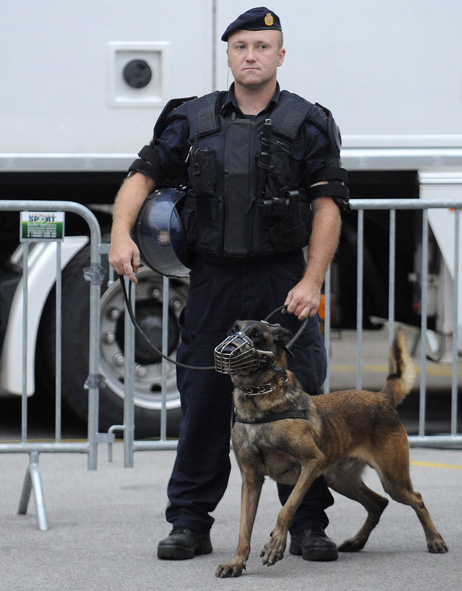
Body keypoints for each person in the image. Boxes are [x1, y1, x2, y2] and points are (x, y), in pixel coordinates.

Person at [108, 7, 350, 562]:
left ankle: (307, 524)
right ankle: (190, 522)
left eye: (262, 47)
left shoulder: (307, 122)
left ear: (280, 55)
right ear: (228, 55)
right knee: (204, 403)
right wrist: (121, 234)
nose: (250, 56)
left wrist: (312, 280)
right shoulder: (192, 120)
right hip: (213, 281)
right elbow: (141, 176)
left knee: (301, 403)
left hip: (280, 279)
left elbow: (327, 206)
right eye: (240, 46)